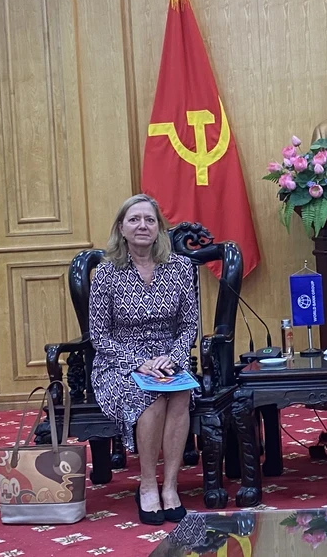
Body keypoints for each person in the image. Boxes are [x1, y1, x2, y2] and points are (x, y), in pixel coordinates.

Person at [89, 194, 198, 526]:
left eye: (150, 220)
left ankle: (171, 487)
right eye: (134, 220)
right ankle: (148, 484)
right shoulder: (107, 273)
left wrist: (174, 357)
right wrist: (138, 362)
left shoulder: (180, 268)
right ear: (121, 228)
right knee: (148, 395)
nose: (142, 226)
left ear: (159, 228)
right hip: (119, 362)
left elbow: (189, 323)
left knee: (179, 392)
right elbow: (99, 335)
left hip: (169, 358)